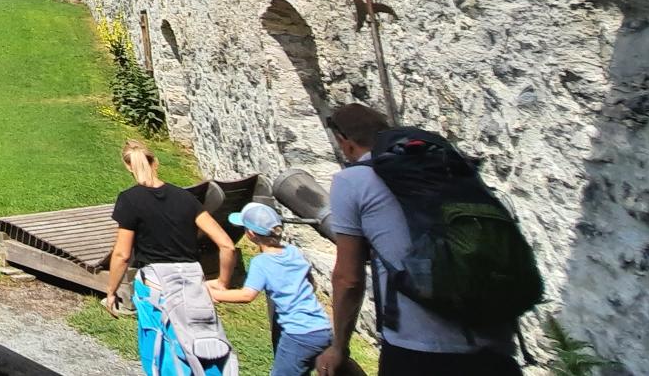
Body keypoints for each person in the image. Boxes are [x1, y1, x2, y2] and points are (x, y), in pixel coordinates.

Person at [318, 105, 520, 376]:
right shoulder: (452, 168)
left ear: (345, 142)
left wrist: (339, 347)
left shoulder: (353, 180)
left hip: (419, 348)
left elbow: (348, 278)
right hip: (495, 345)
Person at [104, 139, 239, 376]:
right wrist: (222, 283)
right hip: (192, 282)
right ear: (155, 161)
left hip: (156, 284)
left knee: (162, 352)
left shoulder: (129, 200)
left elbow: (123, 254)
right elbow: (226, 245)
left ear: (128, 167)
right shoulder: (185, 198)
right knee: (205, 350)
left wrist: (111, 291)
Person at [207, 202, 331, 376]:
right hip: (322, 328)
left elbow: (247, 295)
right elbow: (311, 282)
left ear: (250, 234)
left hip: (298, 334)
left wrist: (213, 294)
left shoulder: (262, 262)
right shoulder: (294, 251)